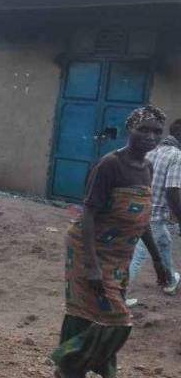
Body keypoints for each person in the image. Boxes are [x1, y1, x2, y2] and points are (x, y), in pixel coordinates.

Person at [51, 106, 171, 378]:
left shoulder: (148, 167)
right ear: (130, 130)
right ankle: (68, 367)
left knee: (90, 312)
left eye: (156, 131)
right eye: (144, 129)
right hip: (88, 248)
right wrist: (92, 267)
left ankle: (93, 369)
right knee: (118, 319)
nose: (151, 136)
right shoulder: (110, 165)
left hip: (120, 254)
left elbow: (142, 219)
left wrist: (159, 260)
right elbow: (89, 213)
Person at [127, 118, 181, 306]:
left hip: (139, 208)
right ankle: (118, 296)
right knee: (139, 254)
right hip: (154, 215)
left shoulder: (152, 151)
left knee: (164, 242)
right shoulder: (176, 156)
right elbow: (172, 191)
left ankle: (169, 281)